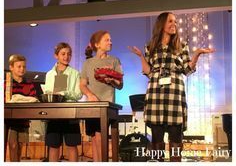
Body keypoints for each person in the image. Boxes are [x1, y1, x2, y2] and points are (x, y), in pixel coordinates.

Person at [128, 12, 215, 161]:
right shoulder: (150, 46)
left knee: (175, 136)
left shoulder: (181, 46)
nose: (174, 24)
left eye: (175, 22)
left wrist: (197, 54)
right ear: (162, 24)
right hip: (155, 93)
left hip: (175, 94)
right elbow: (148, 72)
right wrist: (141, 57)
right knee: (157, 138)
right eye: (170, 21)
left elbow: (187, 71)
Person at [80, 30, 123, 162]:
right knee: (94, 137)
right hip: (92, 106)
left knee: (100, 136)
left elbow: (120, 84)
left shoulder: (114, 60)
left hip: (107, 106)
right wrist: (90, 95)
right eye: (107, 40)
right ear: (97, 44)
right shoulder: (88, 63)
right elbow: (82, 85)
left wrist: (111, 80)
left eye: (110, 40)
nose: (110, 42)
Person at [44, 42, 82, 162]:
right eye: (63, 54)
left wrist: (65, 92)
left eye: (69, 54)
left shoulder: (75, 73)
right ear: (56, 56)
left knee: (71, 145)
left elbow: (78, 94)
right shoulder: (49, 74)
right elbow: (48, 92)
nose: (66, 56)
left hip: (70, 112)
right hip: (54, 113)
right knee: (54, 145)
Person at [4, 54, 41, 161]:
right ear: (11, 67)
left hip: (23, 121)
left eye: (24, 66)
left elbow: (34, 99)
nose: (22, 69)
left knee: (20, 145)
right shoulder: (7, 84)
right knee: (13, 145)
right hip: (9, 122)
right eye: (19, 66)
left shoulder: (29, 84)